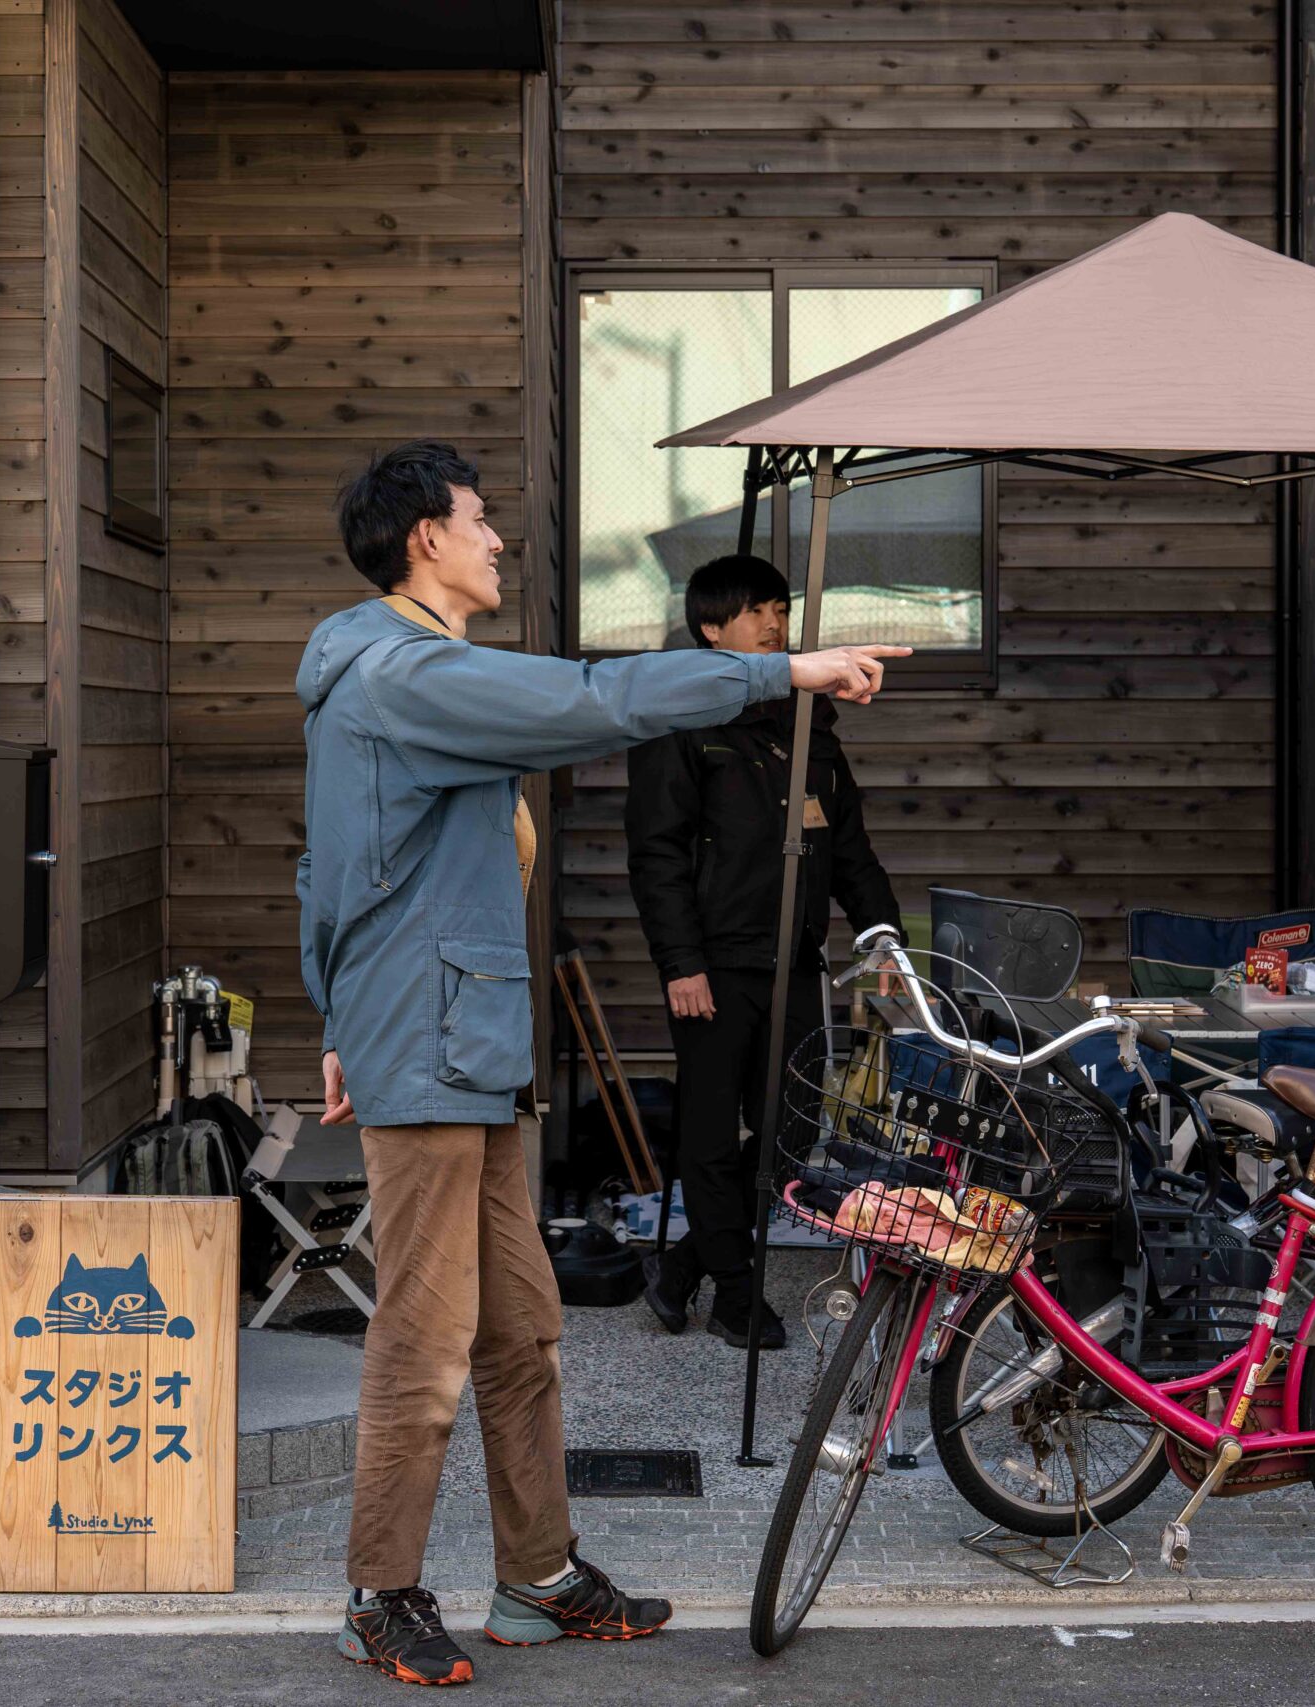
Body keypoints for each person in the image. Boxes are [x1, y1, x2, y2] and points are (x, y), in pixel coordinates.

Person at [298, 442, 906, 1686]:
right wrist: (774, 669)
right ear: (425, 538)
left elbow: (343, 868)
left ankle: (538, 1578)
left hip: (457, 1043)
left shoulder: (421, 672)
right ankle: (380, 1590)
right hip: (426, 1045)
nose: (497, 540)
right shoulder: (401, 673)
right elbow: (590, 704)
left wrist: (335, 1017)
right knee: (421, 1341)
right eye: (480, 521)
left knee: (521, 1329)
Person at [625, 554, 906, 1350]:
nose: (776, 623)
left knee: (790, 1133)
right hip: (712, 967)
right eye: (756, 611)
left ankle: (686, 1265)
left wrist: (883, 933)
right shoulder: (681, 721)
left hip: (798, 963)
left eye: (782, 608)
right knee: (711, 1139)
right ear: (712, 628)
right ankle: (738, 1296)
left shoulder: (810, 722)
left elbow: (850, 848)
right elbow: (657, 853)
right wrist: (679, 961)